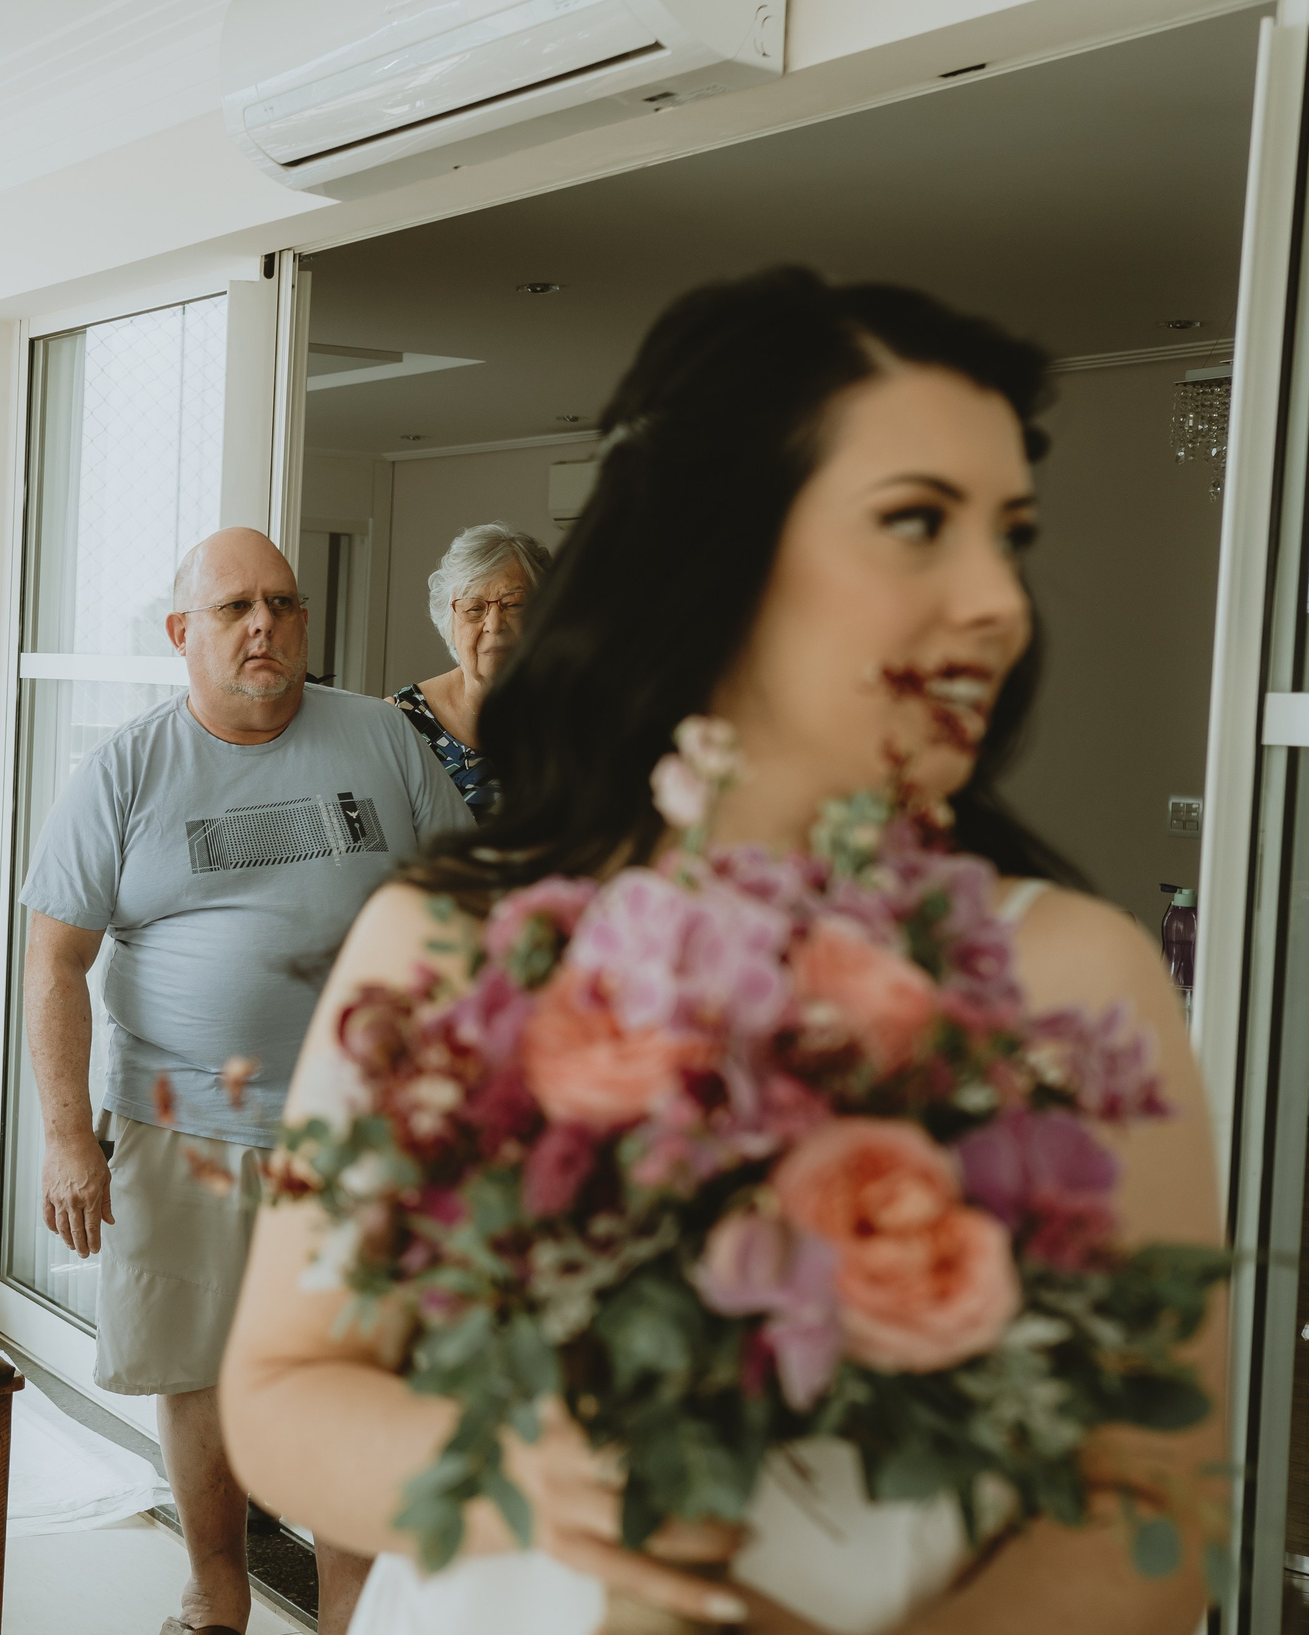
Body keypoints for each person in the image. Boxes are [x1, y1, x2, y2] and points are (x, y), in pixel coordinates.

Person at [221, 269, 1223, 1635]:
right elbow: (282, 1391)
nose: (998, 599)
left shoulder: (1077, 977)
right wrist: (529, 1472)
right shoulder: (450, 941)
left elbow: (1148, 1507)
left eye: (1015, 534)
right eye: (920, 522)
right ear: (717, 547)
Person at [19, 526, 471, 1635]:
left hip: (364, 1132)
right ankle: (215, 1588)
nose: (263, 625)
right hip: (185, 1123)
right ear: (183, 634)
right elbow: (55, 963)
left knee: (355, 1370)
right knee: (202, 1370)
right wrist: (69, 1137)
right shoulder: (124, 769)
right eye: (233, 609)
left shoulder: (383, 736)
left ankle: (349, 1606)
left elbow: (463, 911)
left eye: (283, 603)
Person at [389, 522, 552, 813]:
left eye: (513, 604)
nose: (494, 624)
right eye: (474, 608)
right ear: (449, 623)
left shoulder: (580, 715)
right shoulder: (399, 722)